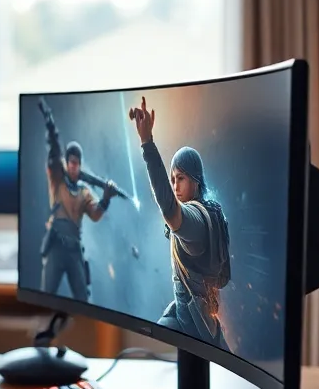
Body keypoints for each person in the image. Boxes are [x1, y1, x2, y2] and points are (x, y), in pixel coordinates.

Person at [128, 95, 233, 353]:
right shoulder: (198, 212)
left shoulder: (194, 219)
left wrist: (147, 143)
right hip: (184, 307)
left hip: (198, 321)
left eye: (181, 178)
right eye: (173, 179)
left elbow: (167, 205)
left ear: (196, 180)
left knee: (224, 369)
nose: (175, 186)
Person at [37, 97, 124, 302]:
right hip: (57, 245)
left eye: (77, 162)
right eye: (71, 162)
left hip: (74, 249)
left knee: (84, 300)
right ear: (67, 163)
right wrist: (51, 126)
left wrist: (106, 198)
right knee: (44, 297)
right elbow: (54, 153)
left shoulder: (84, 191)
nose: (74, 166)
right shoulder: (57, 179)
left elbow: (95, 214)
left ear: (80, 164)